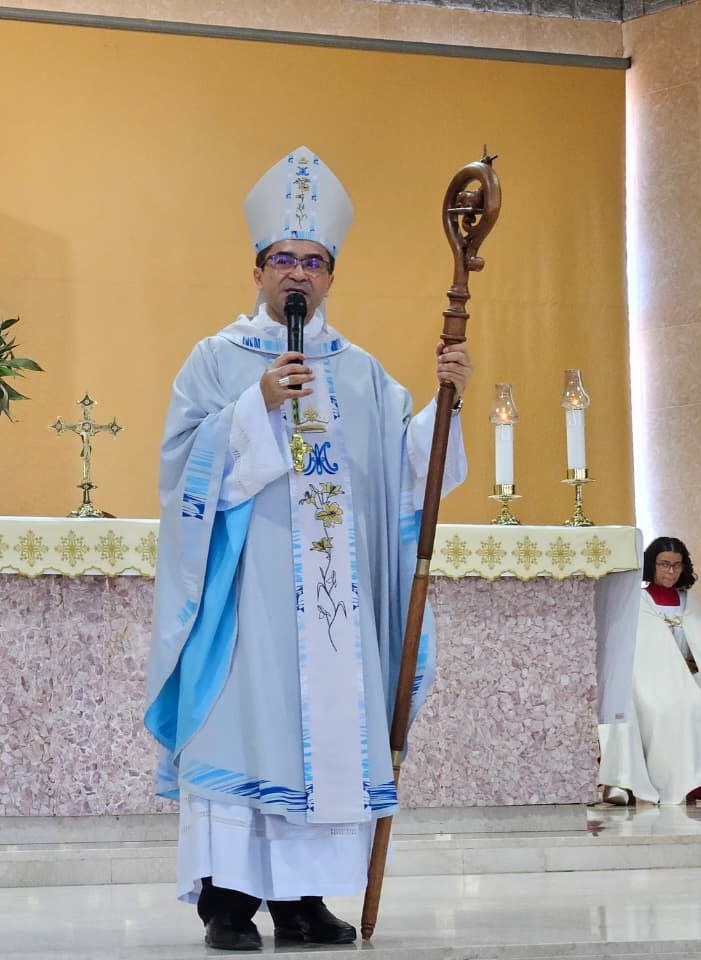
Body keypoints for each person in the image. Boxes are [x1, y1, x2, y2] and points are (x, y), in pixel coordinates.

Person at [145, 147, 470, 951]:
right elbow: (181, 468)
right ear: (257, 270)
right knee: (243, 731)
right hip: (247, 599)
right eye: (283, 259)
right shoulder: (216, 360)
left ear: (331, 277)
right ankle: (228, 903)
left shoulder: (360, 374)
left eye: (313, 262)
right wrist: (251, 408)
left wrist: (447, 403)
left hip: (333, 604)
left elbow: (406, 473)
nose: (298, 273)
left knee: (323, 737)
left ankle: (302, 904)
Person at [599, 537, 701, 807]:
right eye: (664, 564)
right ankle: (697, 783)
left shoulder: (690, 603)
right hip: (646, 680)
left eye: (677, 566)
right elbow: (632, 649)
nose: (670, 572)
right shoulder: (638, 601)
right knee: (677, 708)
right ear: (651, 565)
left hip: (687, 676)